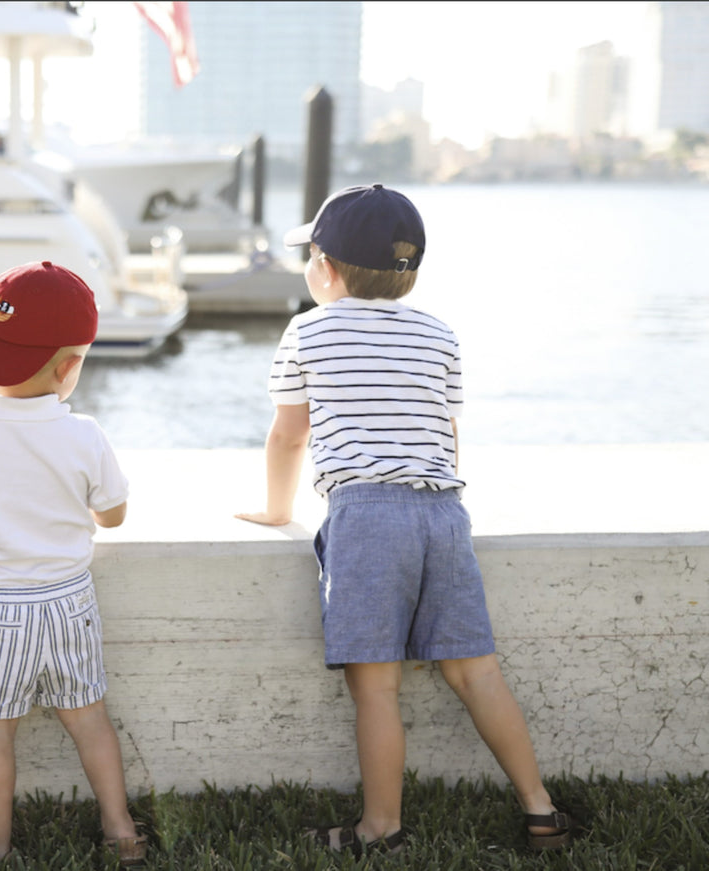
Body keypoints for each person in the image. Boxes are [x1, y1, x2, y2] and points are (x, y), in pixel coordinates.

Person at [236, 184, 575, 859]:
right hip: (443, 512)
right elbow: (447, 433)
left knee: (377, 686)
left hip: (366, 516)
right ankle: (541, 809)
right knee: (478, 671)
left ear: (323, 269)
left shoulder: (307, 329)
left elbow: (287, 435)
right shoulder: (439, 332)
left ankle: (381, 827)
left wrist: (278, 509)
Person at [0, 261, 146, 866]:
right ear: (68, 367)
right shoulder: (84, 435)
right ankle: (120, 829)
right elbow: (113, 516)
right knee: (89, 720)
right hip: (67, 603)